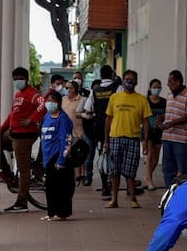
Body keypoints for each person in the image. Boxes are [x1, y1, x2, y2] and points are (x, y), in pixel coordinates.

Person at [104, 69, 151, 209]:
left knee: (130, 172)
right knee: (115, 172)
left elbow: (146, 122)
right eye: (127, 79)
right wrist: (106, 140)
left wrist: (145, 142)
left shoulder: (142, 99)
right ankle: (114, 200)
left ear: (136, 82)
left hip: (133, 139)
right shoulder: (114, 98)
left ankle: (133, 199)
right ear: (122, 80)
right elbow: (108, 119)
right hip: (115, 138)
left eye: (132, 79)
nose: (129, 81)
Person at [4, 66, 45, 213]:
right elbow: (12, 115)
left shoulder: (32, 94)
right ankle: (8, 175)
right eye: (15, 79)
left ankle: (21, 201)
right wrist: (1, 129)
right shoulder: (18, 95)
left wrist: (31, 120)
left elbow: (43, 105)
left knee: (23, 170)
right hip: (13, 133)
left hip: (24, 136)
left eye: (20, 79)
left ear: (26, 79)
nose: (17, 82)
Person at [40, 89, 74, 221]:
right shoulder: (47, 116)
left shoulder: (63, 119)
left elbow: (66, 140)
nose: (50, 104)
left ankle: (61, 213)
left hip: (57, 156)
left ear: (59, 103)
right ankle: (51, 212)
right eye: (48, 101)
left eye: (53, 101)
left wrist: (61, 160)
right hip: (47, 157)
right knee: (50, 187)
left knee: (60, 187)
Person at [161, 70, 187, 188]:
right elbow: (170, 113)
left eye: (170, 82)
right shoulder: (169, 95)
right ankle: (169, 195)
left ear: (178, 82)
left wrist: (172, 123)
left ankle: (184, 197)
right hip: (167, 138)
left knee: (183, 171)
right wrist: (161, 119)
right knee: (167, 169)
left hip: (181, 140)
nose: (168, 84)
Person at [90, 65, 119, 196]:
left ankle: (104, 187)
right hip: (116, 128)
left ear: (100, 75)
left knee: (103, 156)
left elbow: (87, 109)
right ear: (112, 74)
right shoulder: (118, 88)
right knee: (116, 158)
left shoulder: (95, 91)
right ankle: (113, 185)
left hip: (100, 129)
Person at [62, 80, 88, 185]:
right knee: (71, 154)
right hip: (66, 132)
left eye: (71, 88)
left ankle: (83, 175)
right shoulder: (63, 99)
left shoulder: (82, 100)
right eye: (67, 88)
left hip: (80, 131)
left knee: (80, 154)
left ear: (76, 89)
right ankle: (76, 176)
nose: (68, 90)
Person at [143, 78, 166, 191]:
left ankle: (148, 176)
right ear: (150, 88)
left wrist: (161, 119)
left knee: (156, 159)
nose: (156, 89)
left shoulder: (164, 102)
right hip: (148, 130)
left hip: (159, 131)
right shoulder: (145, 101)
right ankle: (149, 180)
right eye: (154, 87)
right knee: (150, 154)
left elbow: (167, 115)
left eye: (158, 87)